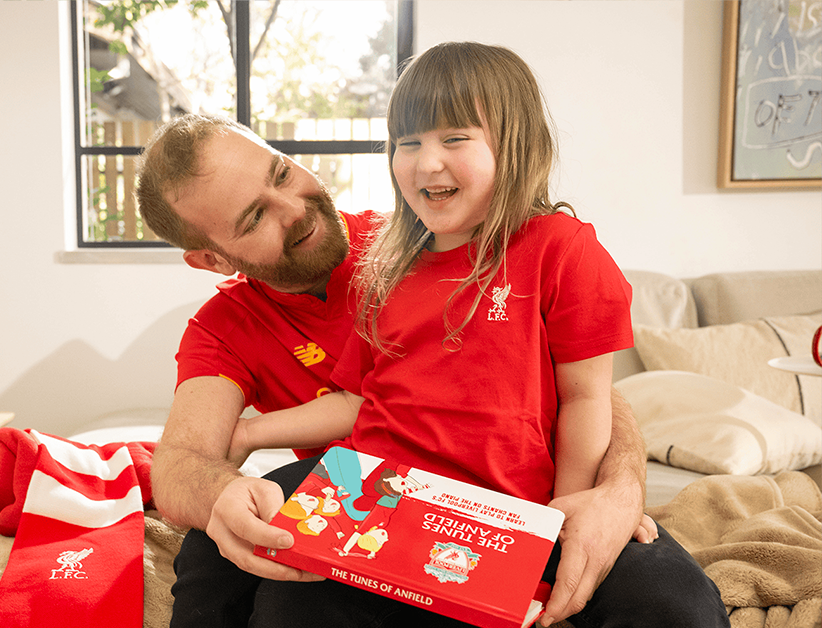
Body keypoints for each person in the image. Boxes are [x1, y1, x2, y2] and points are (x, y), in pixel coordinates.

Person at [221, 42, 727, 626]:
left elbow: (586, 398)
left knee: (678, 606)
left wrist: (562, 516)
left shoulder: (562, 250)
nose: (426, 163)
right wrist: (249, 433)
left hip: (514, 510)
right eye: (408, 142)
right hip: (386, 505)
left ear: (514, 146)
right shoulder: (384, 267)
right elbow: (358, 400)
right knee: (285, 601)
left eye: (454, 138)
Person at [132, 99, 672, 627]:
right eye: (254, 218)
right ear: (212, 259)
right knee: (222, 551)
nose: (293, 209)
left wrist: (618, 490)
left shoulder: (427, 240)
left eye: (282, 173)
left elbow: (582, 385)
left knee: (671, 604)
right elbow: (179, 464)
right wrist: (223, 491)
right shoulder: (224, 329)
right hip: (376, 509)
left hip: (529, 490)